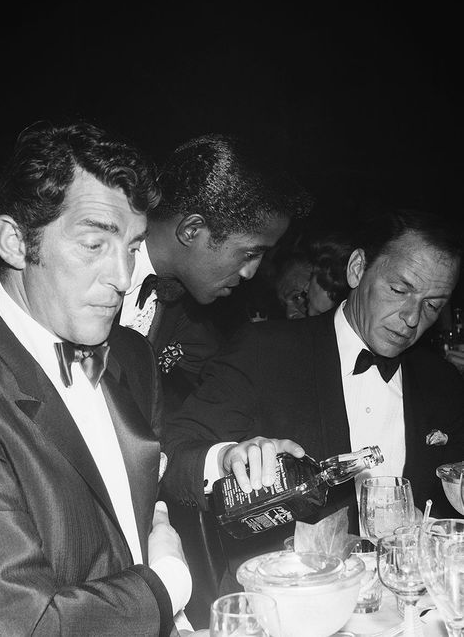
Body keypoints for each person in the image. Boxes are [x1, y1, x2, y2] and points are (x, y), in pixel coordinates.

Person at [162, 207, 464, 594]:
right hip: (291, 605)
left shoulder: (441, 381)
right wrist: (226, 458)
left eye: (432, 305)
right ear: (357, 269)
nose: (410, 318)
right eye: (399, 290)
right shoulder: (264, 351)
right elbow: (173, 452)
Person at [0, 121, 193, 636]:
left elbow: (132, 525)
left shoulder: (131, 355)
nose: (123, 278)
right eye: (94, 244)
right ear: (16, 243)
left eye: (131, 247)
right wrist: (168, 587)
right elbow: (23, 622)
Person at [119, 133, 313, 401]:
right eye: (249, 254)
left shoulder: (184, 310)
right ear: (192, 230)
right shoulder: (86, 266)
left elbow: (224, 383)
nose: (250, 273)